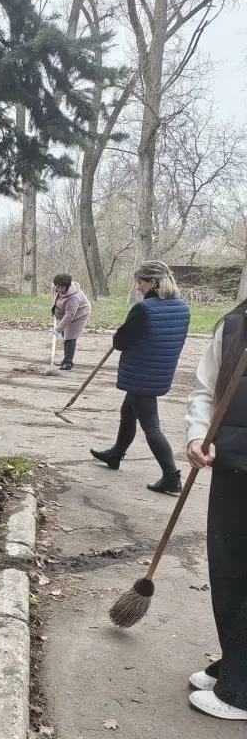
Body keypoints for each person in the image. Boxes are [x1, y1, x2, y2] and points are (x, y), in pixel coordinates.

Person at [183, 297, 247, 720]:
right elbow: (206, 391)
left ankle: (242, 690)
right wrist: (197, 434)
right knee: (228, 571)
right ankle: (236, 662)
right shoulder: (236, 326)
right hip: (234, 467)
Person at [90, 261, 190, 495]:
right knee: (128, 410)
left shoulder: (144, 309)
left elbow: (121, 341)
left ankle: (171, 476)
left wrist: (120, 333)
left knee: (151, 425)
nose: (138, 287)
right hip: (159, 370)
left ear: (153, 282)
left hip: (141, 373)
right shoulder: (182, 306)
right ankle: (116, 454)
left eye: (141, 282)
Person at [51, 273, 91, 370]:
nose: (59, 289)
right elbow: (54, 296)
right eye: (58, 287)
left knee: (70, 337)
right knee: (65, 335)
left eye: (62, 287)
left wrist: (58, 328)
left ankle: (68, 363)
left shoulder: (74, 297)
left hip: (79, 315)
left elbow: (69, 315)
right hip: (66, 313)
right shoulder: (54, 287)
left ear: (67, 286)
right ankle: (65, 360)